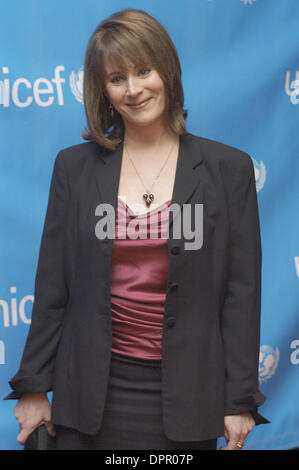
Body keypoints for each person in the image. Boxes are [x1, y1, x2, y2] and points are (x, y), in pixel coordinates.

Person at [5, 8, 269, 450]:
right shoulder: (73, 168)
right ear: (102, 90)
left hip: (189, 398)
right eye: (116, 78)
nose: (134, 89)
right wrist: (34, 387)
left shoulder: (229, 170)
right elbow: (53, 285)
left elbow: (241, 296)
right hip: (88, 395)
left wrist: (238, 399)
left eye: (144, 70)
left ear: (166, 70)